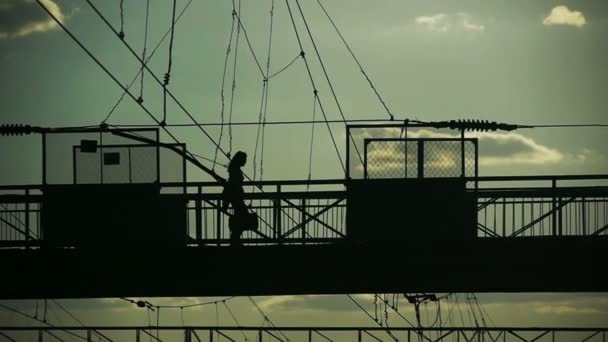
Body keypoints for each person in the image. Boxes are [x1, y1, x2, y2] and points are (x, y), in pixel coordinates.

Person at [223, 151, 248, 246]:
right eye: (244, 159)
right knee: (242, 218)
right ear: (240, 160)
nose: (245, 161)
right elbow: (233, 185)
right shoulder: (236, 171)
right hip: (237, 198)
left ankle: (235, 240)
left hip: (236, 198)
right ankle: (235, 240)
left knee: (240, 218)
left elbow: (230, 186)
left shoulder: (234, 169)